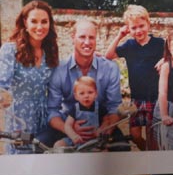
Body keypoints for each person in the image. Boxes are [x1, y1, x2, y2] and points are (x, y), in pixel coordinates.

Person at [45, 18, 122, 147]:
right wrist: (70, 130)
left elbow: (114, 108)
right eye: (82, 37)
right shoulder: (59, 70)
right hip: (67, 126)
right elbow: (52, 111)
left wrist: (104, 130)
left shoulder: (110, 68)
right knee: (43, 146)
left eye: (91, 37)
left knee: (122, 149)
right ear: (72, 37)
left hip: (100, 127)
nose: (87, 42)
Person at [0, 0, 59, 152]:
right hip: (19, 123)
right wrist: (2, 96)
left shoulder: (50, 53)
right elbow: (1, 83)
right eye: (34, 21)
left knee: (42, 169)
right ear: (25, 23)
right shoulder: (10, 51)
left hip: (44, 123)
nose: (39, 27)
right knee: (20, 171)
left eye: (44, 22)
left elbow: (60, 82)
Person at [105, 5, 165, 150]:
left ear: (148, 24)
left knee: (153, 135)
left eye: (141, 26)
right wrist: (120, 35)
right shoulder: (129, 45)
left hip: (154, 98)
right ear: (128, 29)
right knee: (135, 134)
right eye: (134, 28)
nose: (138, 31)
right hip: (136, 99)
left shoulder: (159, 43)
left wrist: (165, 60)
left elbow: (171, 56)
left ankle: (152, 158)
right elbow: (109, 55)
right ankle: (146, 152)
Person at [54, 76, 102, 148]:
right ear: (76, 96)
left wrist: (100, 131)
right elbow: (67, 125)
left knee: (104, 149)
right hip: (77, 139)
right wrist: (74, 136)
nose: (86, 96)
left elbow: (107, 122)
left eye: (90, 92)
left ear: (96, 93)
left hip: (94, 140)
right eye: (82, 93)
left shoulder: (99, 108)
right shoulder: (75, 108)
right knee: (58, 144)